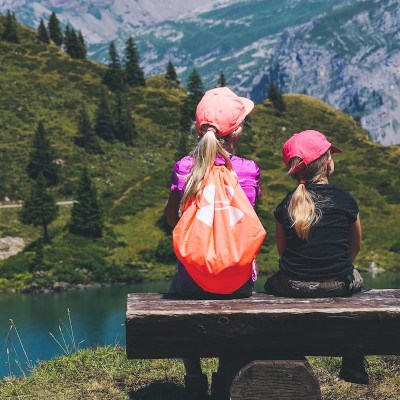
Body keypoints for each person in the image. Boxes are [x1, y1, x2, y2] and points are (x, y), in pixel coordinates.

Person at [164, 87, 262, 399]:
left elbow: (172, 220)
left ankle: (193, 375)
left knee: (179, 286)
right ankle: (224, 374)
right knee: (231, 294)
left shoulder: (183, 168)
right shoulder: (248, 170)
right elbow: (245, 220)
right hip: (239, 281)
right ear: (238, 132)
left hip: (191, 280)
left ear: (198, 128)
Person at [264, 129, 368, 385]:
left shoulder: (285, 204)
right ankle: (353, 361)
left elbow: (282, 252)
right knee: (355, 276)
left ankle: (290, 351)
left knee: (270, 283)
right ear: (328, 162)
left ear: (295, 172)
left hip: (293, 286)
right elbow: (354, 248)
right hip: (337, 284)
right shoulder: (346, 201)